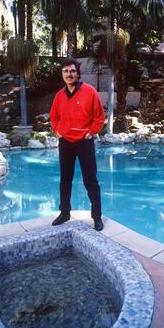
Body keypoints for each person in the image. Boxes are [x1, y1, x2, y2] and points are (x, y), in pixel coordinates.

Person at [50, 59, 105, 231]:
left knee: (91, 180)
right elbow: (54, 116)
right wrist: (57, 131)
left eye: (72, 71)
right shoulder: (59, 95)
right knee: (65, 180)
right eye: (65, 71)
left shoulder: (90, 92)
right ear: (62, 74)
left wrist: (91, 132)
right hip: (65, 141)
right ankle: (65, 213)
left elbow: (99, 117)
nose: (69, 74)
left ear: (78, 73)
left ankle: (96, 217)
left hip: (84, 142)